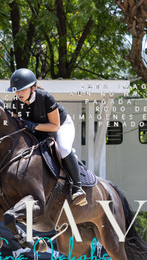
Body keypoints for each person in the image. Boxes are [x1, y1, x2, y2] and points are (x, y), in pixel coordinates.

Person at [7, 68, 87, 206]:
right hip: (38, 130)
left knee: (63, 148)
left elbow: (54, 126)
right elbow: (16, 126)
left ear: (33, 88)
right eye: (16, 90)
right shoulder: (16, 102)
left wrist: (33, 125)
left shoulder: (45, 98)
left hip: (60, 126)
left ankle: (77, 187)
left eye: (22, 89)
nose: (19, 93)